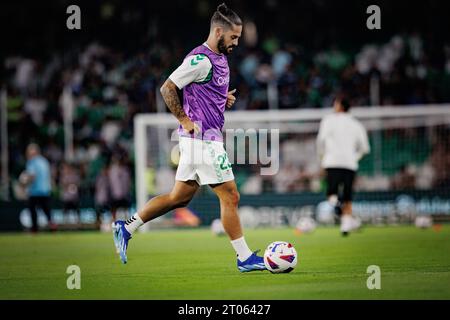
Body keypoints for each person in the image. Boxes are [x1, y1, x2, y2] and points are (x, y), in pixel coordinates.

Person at [112, 3, 266, 272]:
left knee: (179, 197)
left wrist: (222, 97)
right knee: (230, 196)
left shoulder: (219, 59)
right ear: (218, 31)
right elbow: (168, 87)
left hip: (202, 140)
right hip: (202, 140)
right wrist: (183, 119)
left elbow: (203, 90)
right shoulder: (200, 59)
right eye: (233, 37)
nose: (237, 42)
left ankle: (127, 227)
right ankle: (244, 258)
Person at [316, 96, 370, 236]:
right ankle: (346, 225)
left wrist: (323, 157)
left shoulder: (328, 120)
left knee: (332, 194)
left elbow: (320, 141)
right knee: (347, 196)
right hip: (350, 164)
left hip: (332, 162)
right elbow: (365, 148)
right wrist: (354, 157)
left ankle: (343, 214)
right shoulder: (356, 124)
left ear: (339, 106)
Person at [21, 143, 56, 232]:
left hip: (35, 191)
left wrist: (23, 184)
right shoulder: (44, 161)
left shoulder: (32, 162)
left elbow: (32, 176)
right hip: (45, 190)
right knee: (46, 210)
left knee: (33, 210)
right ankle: (52, 226)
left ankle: (34, 229)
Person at [60, 162, 81, 227]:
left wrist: (71, 184)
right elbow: (62, 185)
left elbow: (78, 184)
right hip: (66, 197)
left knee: (76, 210)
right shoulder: (63, 176)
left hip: (74, 196)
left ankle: (78, 223)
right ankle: (65, 223)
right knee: (65, 211)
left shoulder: (75, 175)